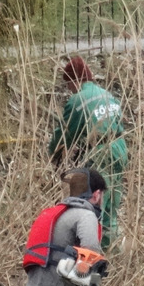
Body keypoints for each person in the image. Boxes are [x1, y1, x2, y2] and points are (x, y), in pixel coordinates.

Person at [47, 56, 128, 251]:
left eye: (69, 85)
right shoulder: (107, 94)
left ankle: (94, 254)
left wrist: (53, 154)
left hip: (100, 153)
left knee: (95, 204)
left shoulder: (78, 100)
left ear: (74, 80)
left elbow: (65, 133)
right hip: (120, 148)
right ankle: (115, 251)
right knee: (112, 205)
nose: (69, 90)